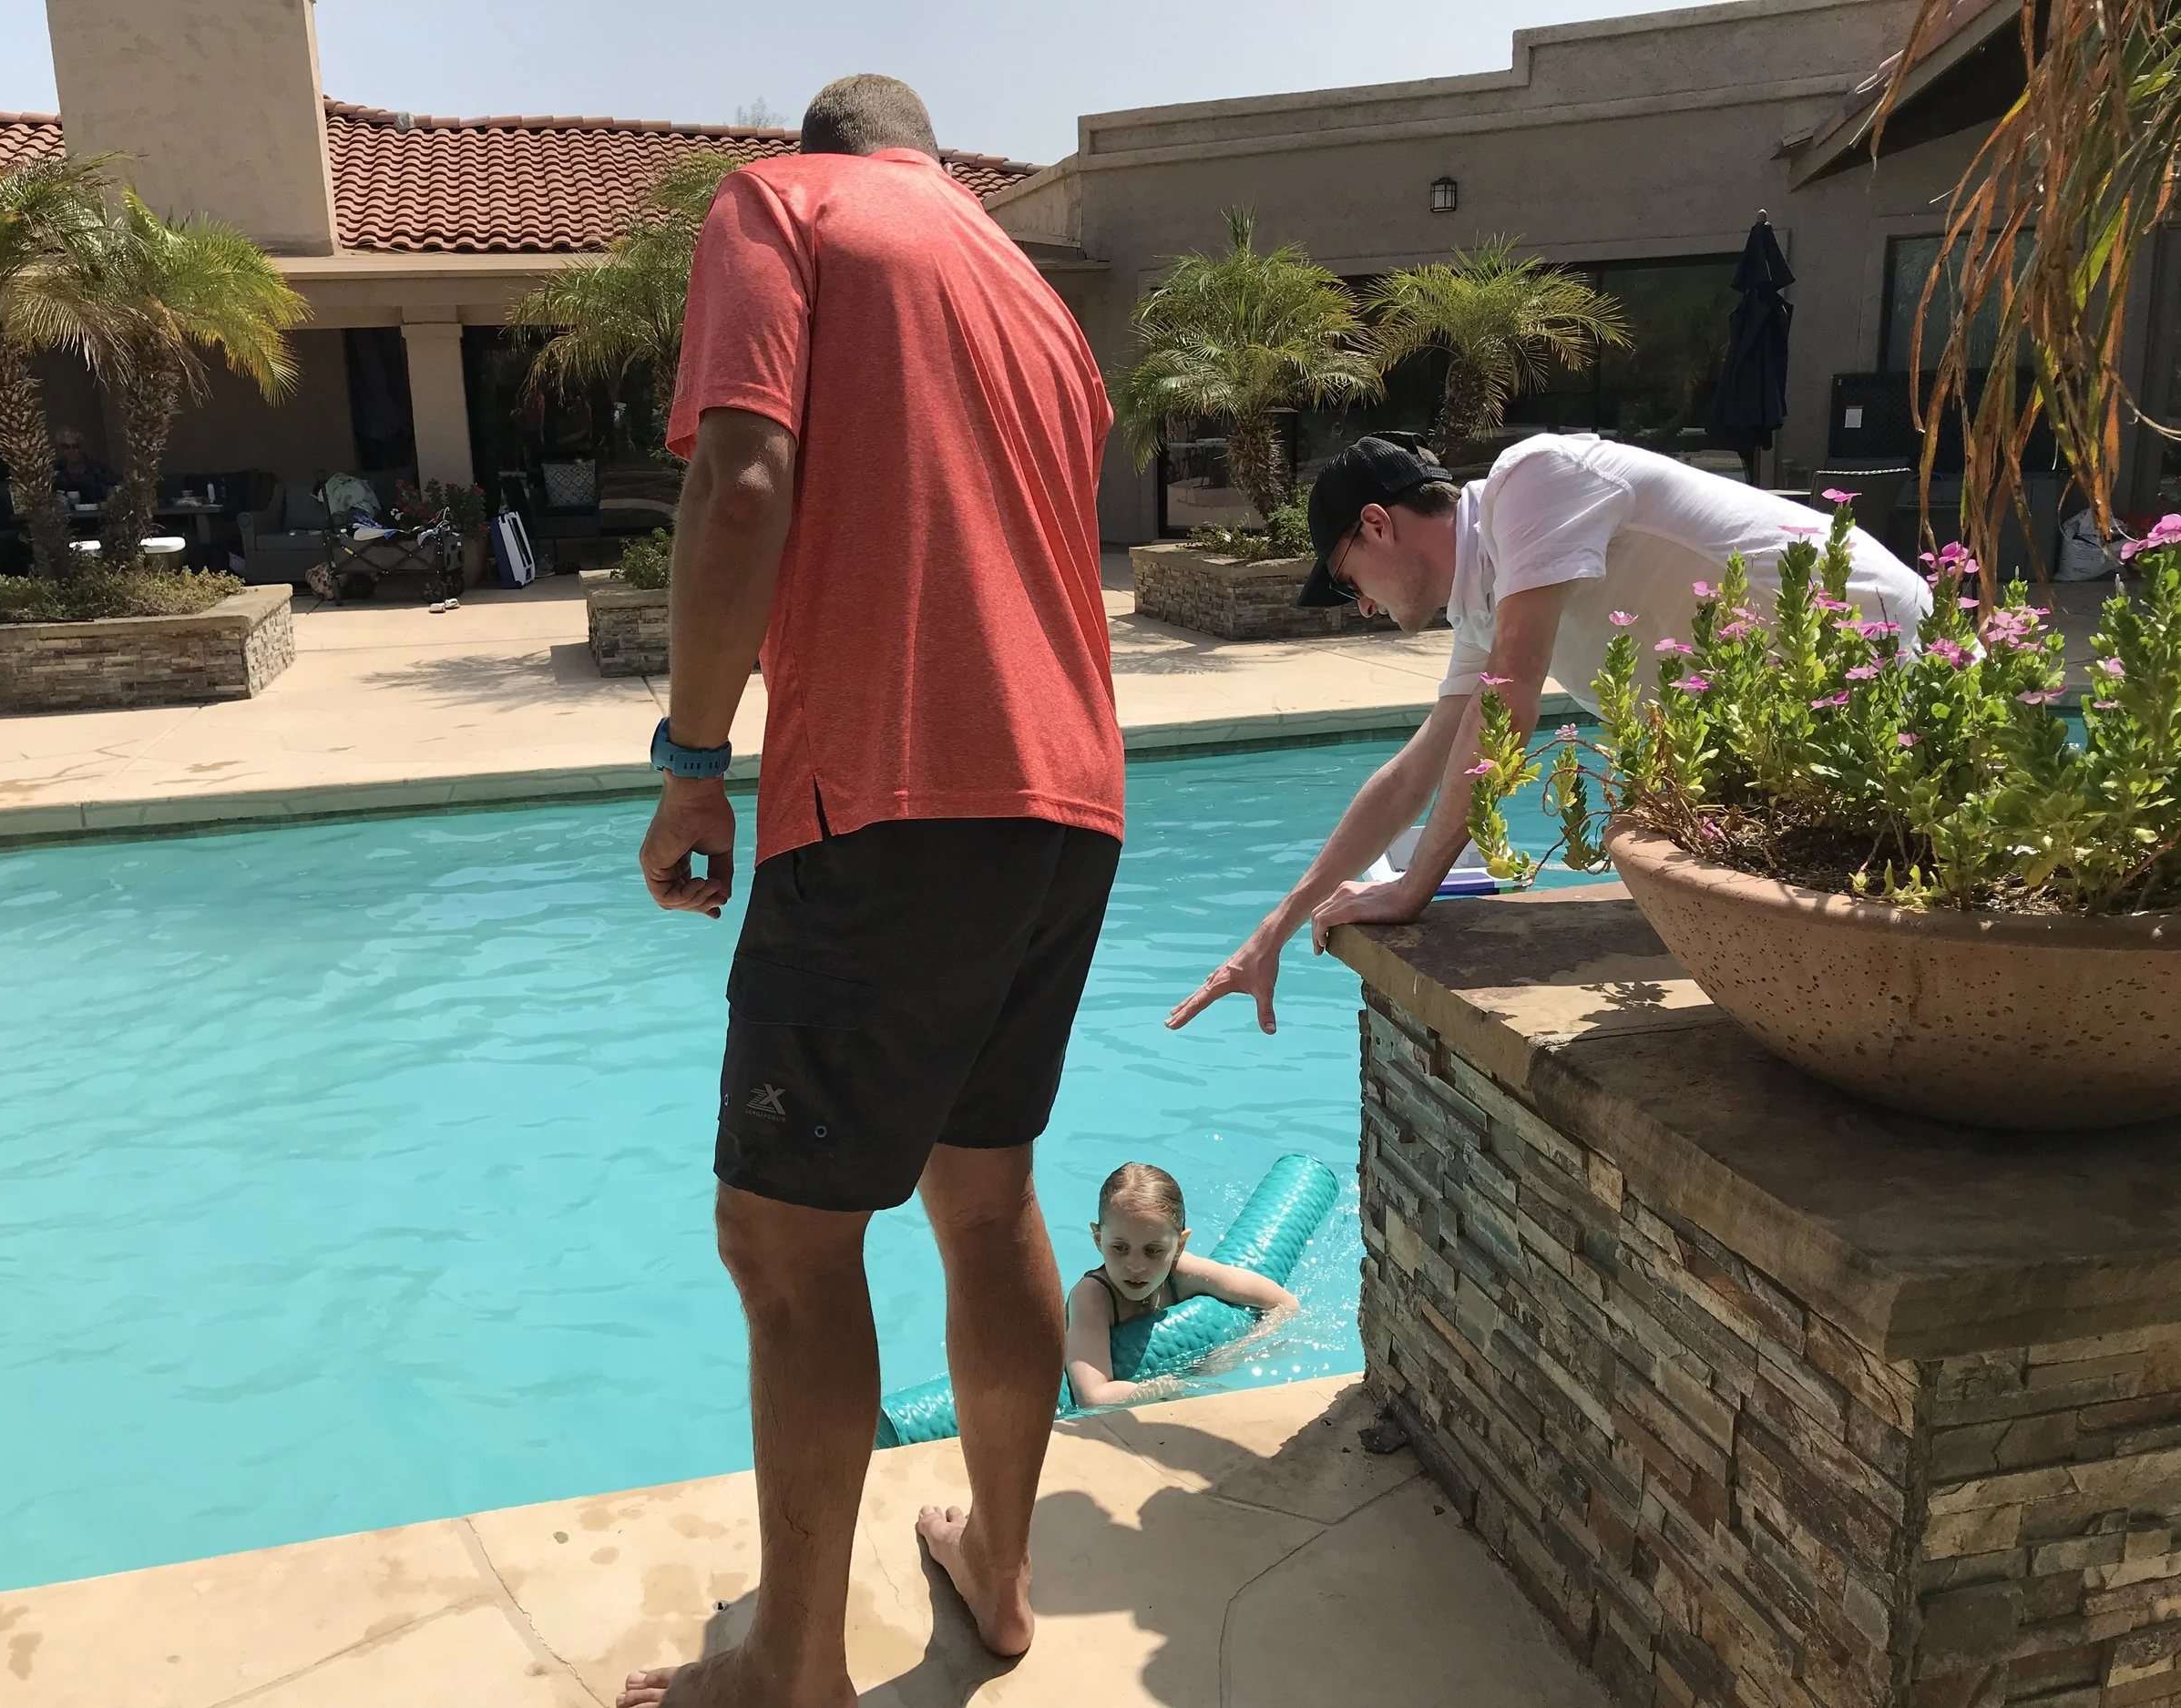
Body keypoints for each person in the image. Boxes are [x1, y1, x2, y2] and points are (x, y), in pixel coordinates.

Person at [622, 74, 1121, 1708]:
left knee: (785, 1246)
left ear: (823, 147)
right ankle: (1004, 1565)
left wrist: (696, 758)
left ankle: (793, 1667)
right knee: (989, 1205)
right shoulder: (1031, 292)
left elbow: (742, 484)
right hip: (1069, 802)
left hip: (891, 799)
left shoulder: (783, 208)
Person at [1167, 431, 1933, 1035]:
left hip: (1866, 647)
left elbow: (1510, 698)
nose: (1357, 606)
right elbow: (1414, 773)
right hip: (1798, 710)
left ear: (1377, 524)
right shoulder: (1489, 592)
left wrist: (1411, 888)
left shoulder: (1533, 480)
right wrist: (1274, 928)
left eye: (1345, 578)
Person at [1064, 1162, 1297, 1410]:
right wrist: (1167, 1388)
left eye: (1153, 1251)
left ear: (1180, 1246)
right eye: (1119, 1248)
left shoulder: (1182, 1272)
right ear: (1099, 1240)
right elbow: (1092, 1397)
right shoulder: (1092, 1298)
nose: (1135, 1265)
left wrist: (1239, 1351)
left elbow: (1283, 1303)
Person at [51, 428, 117, 504]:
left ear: (83, 447)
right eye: (66, 447)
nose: (71, 450)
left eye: (76, 446)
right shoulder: (54, 471)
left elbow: (118, 488)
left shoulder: (99, 470)